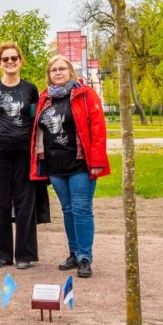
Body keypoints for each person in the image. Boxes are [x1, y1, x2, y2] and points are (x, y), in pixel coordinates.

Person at [30, 55, 109, 279]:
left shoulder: (84, 94)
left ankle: (85, 257)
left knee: (82, 209)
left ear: (70, 72)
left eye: (62, 69)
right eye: (53, 69)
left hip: (80, 164)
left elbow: (98, 129)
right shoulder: (45, 99)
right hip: (55, 167)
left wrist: (97, 162)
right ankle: (73, 253)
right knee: (67, 210)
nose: (58, 72)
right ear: (49, 74)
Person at [0, 43, 43, 269]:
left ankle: (25, 254)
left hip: (23, 150)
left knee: (24, 201)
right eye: (5, 59)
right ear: (0, 62)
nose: (10, 62)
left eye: (14, 58)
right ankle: (2, 253)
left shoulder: (30, 89)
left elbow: (32, 116)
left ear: (20, 61)